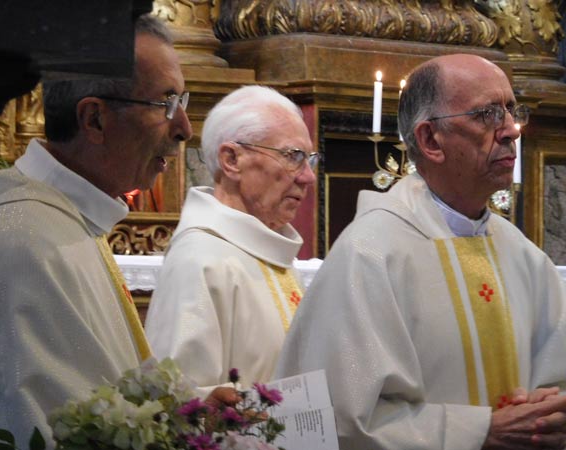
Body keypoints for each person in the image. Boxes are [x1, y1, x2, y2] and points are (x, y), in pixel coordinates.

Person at [276, 54, 566, 450]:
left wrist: (549, 413)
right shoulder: (370, 255)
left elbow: (555, 377)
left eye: (512, 111)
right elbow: (338, 420)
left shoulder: (523, 255)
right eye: (488, 114)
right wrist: (479, 431)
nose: (511, 130)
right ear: (430, 140)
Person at [0, 15, 194, 447]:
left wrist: (197, 414)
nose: (185, 128)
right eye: (166, 103)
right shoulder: (28, 244)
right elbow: (49, 428)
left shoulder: (66, 221)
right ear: (94, 119)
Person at [145, 85, 317, 391]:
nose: (308, 176)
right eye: (293, 156)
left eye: (309, 160)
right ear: (232, 160)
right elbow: (180, 400)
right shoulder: (199, 261)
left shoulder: (270, 250)